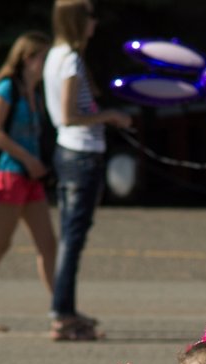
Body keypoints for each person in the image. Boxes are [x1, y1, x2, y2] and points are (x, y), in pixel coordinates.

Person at [43, 0, 133, 341]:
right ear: (78, 21)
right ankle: (62, 314)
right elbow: (68, 114)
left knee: (71, 236)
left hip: (71, 152)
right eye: (91, 16)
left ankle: (64, 309)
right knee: (73, 238)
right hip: (81, 152)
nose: (95, 23)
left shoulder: (57, 56)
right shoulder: (69, 59)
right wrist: (109, 116)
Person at [0, 32, 57, 334]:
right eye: (44, 57)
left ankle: (61, 310)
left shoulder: (35, 91)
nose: (47, 63)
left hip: (30, 177)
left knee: (48, 245)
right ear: (28, 58)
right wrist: (28, 159)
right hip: (9, 174)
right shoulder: (7, 88)